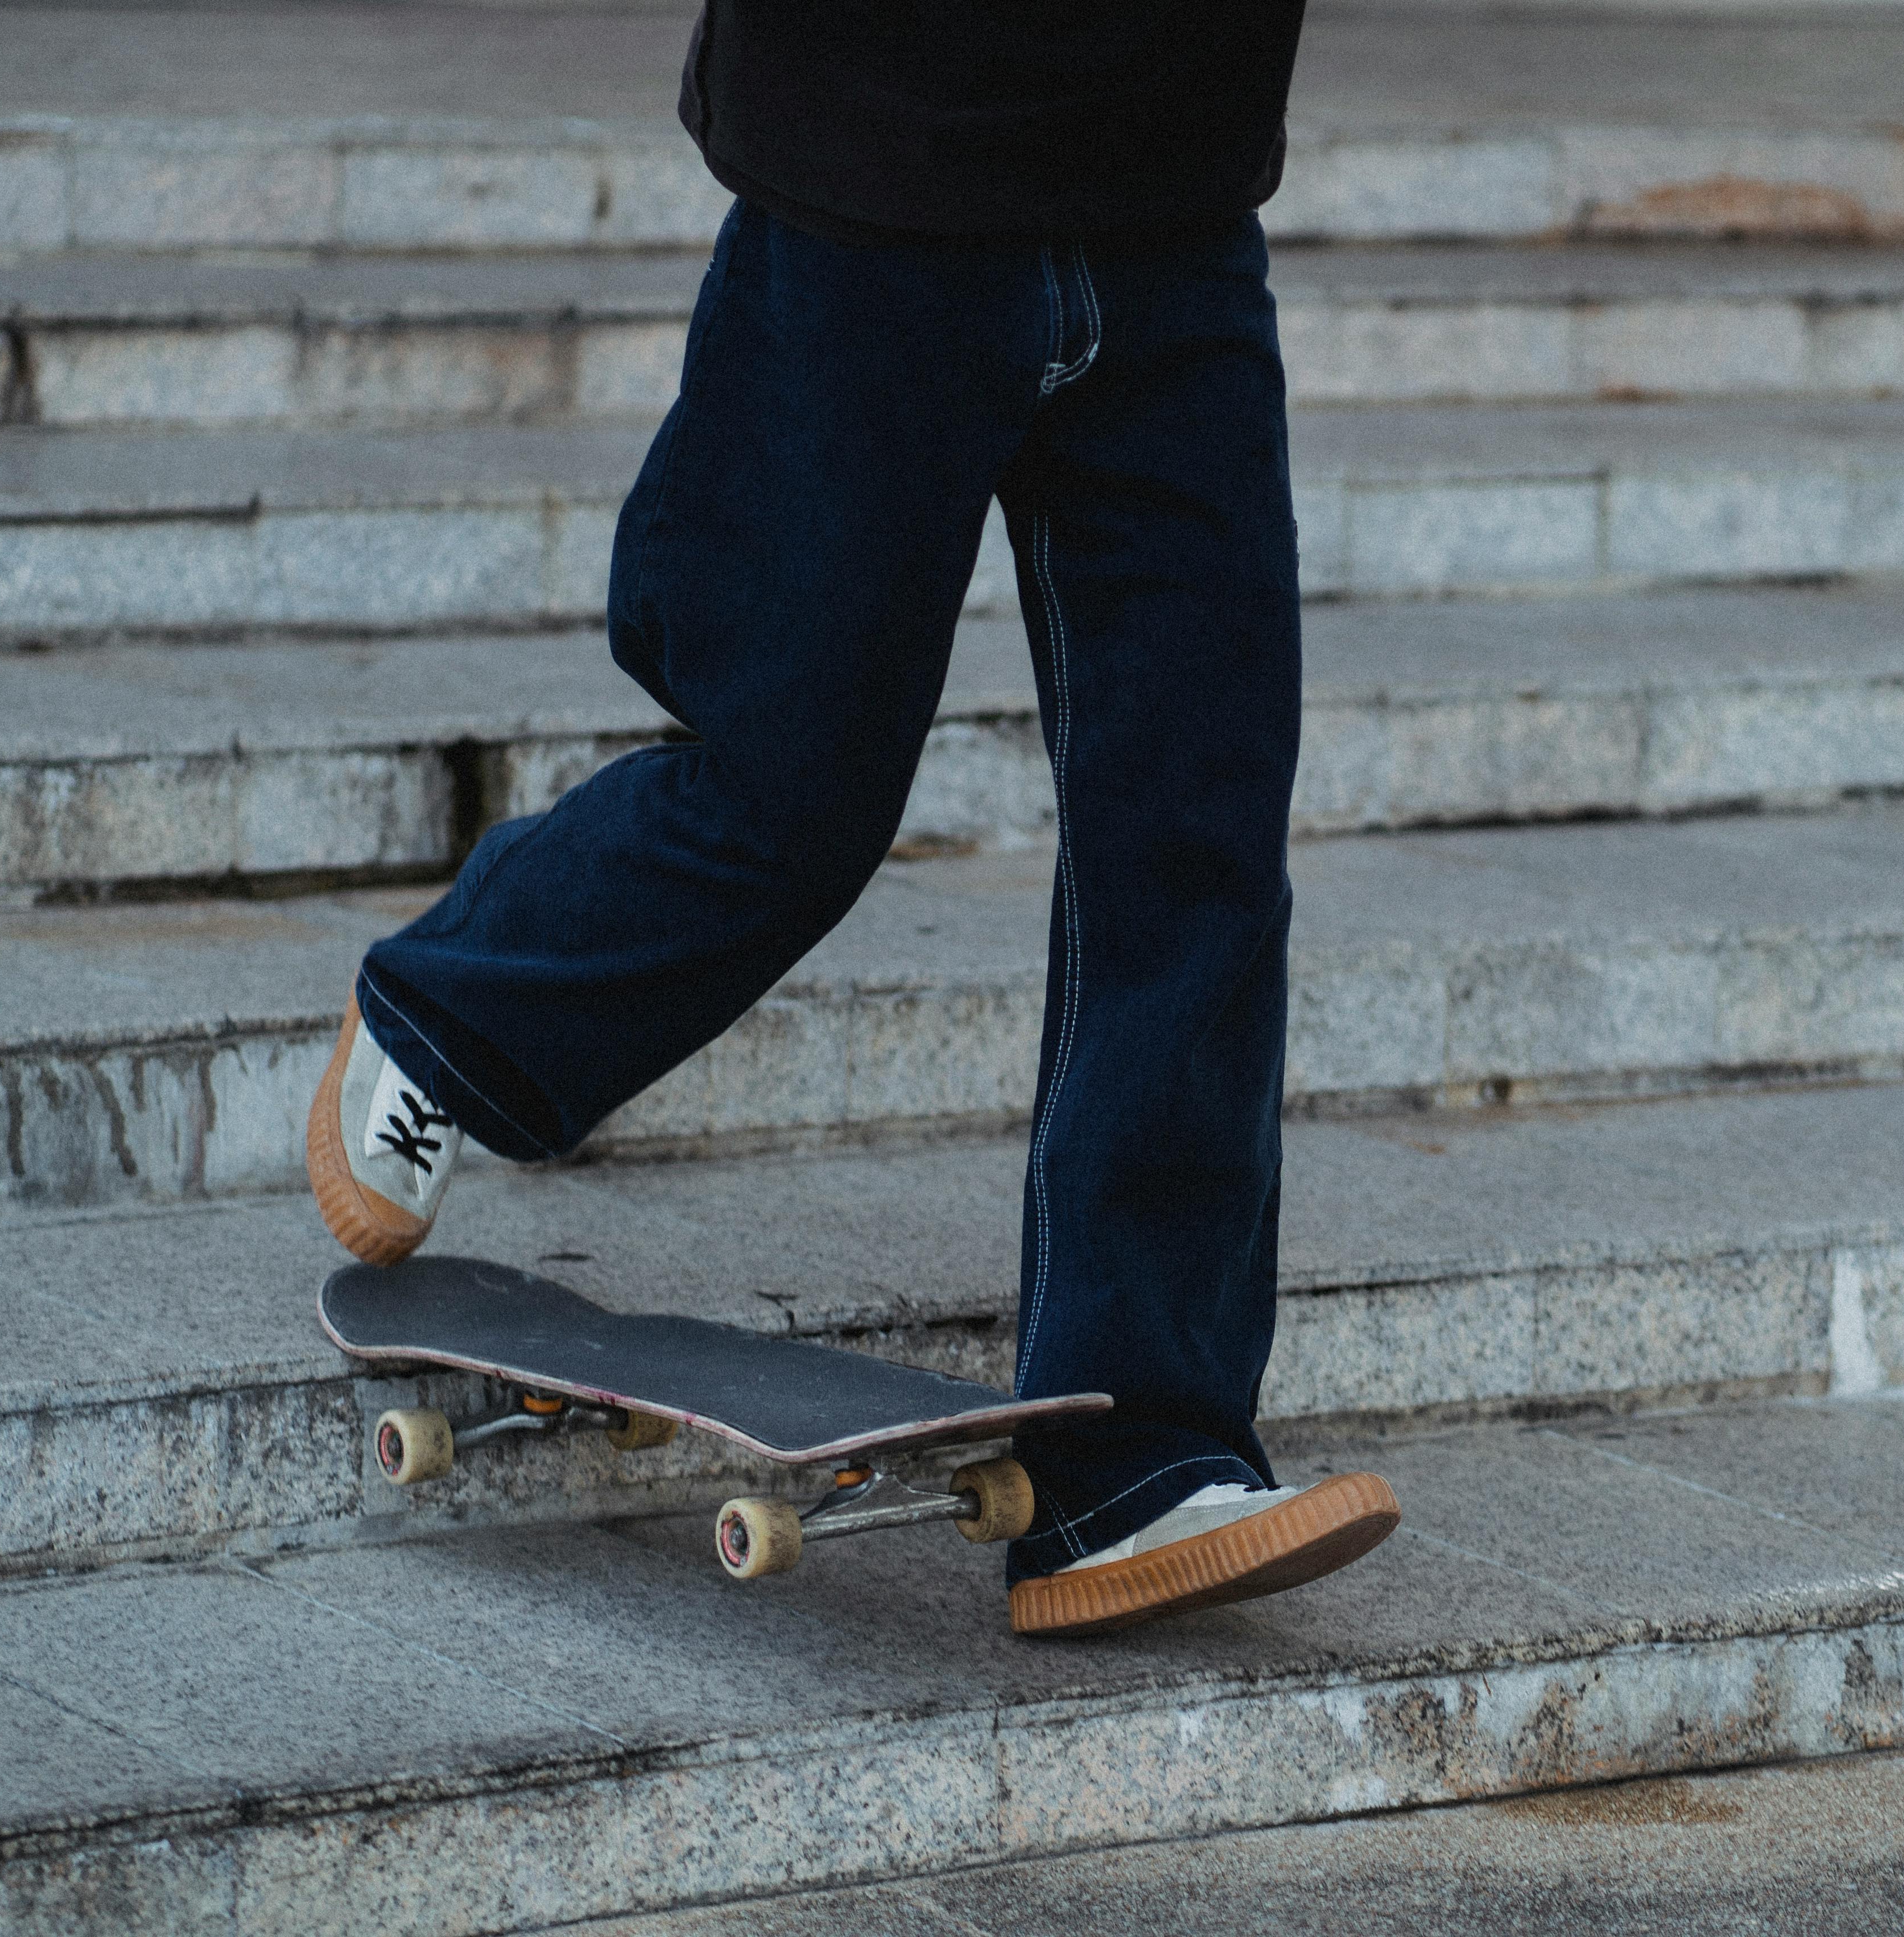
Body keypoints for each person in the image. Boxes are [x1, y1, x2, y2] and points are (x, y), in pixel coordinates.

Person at [305, 0, 1399, 1637]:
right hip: (874, 190)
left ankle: (1137, 1459)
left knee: (1196, 838)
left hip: (1174, 214)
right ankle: (456, 1016)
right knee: (786, 788)